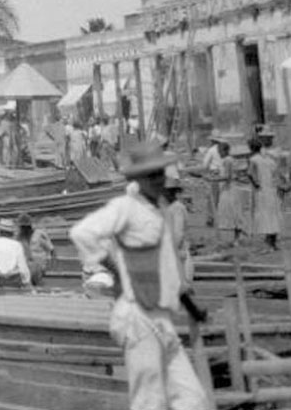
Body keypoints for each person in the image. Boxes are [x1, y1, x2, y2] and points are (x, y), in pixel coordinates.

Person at [69, 139, 209, 410]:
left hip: (161, 316)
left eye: (160, 174)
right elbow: (82, 233)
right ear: (138, 178)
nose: (158, 180)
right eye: (151, 175)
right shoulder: (125, 207)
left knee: (193, 399)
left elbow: (170, 272)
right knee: (149, 400)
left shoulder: (160, 211)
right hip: (137, 318)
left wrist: (192, 308)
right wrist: (118, 267)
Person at [213, 143, 253, 247]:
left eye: (220, 151)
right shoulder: (232, 160)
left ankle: (235, 238)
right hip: (235, 188)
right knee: (237, 213)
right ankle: (237, 238)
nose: (219, 153)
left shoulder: (227, 160)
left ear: (225, 151)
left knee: (232, 214)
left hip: (230, 189)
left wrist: (212, 179)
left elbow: (227, 177)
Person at [247, 138, 283, 252]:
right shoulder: (270, 160)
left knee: (265, 216)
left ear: (251, 148)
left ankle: (268, 245)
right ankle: (273, 242)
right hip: (272, 189)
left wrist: (255, 184)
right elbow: (276, 174)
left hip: (262, 190)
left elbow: (250, 174)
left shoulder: (253, 160)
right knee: (273, 215)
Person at [15, 213, 54, 287]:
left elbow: (51, 249)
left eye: (24, 227)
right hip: (25, 266)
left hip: (39, 265)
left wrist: (49, 265)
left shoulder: (39, 235)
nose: (22, 229)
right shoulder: (19, 237)